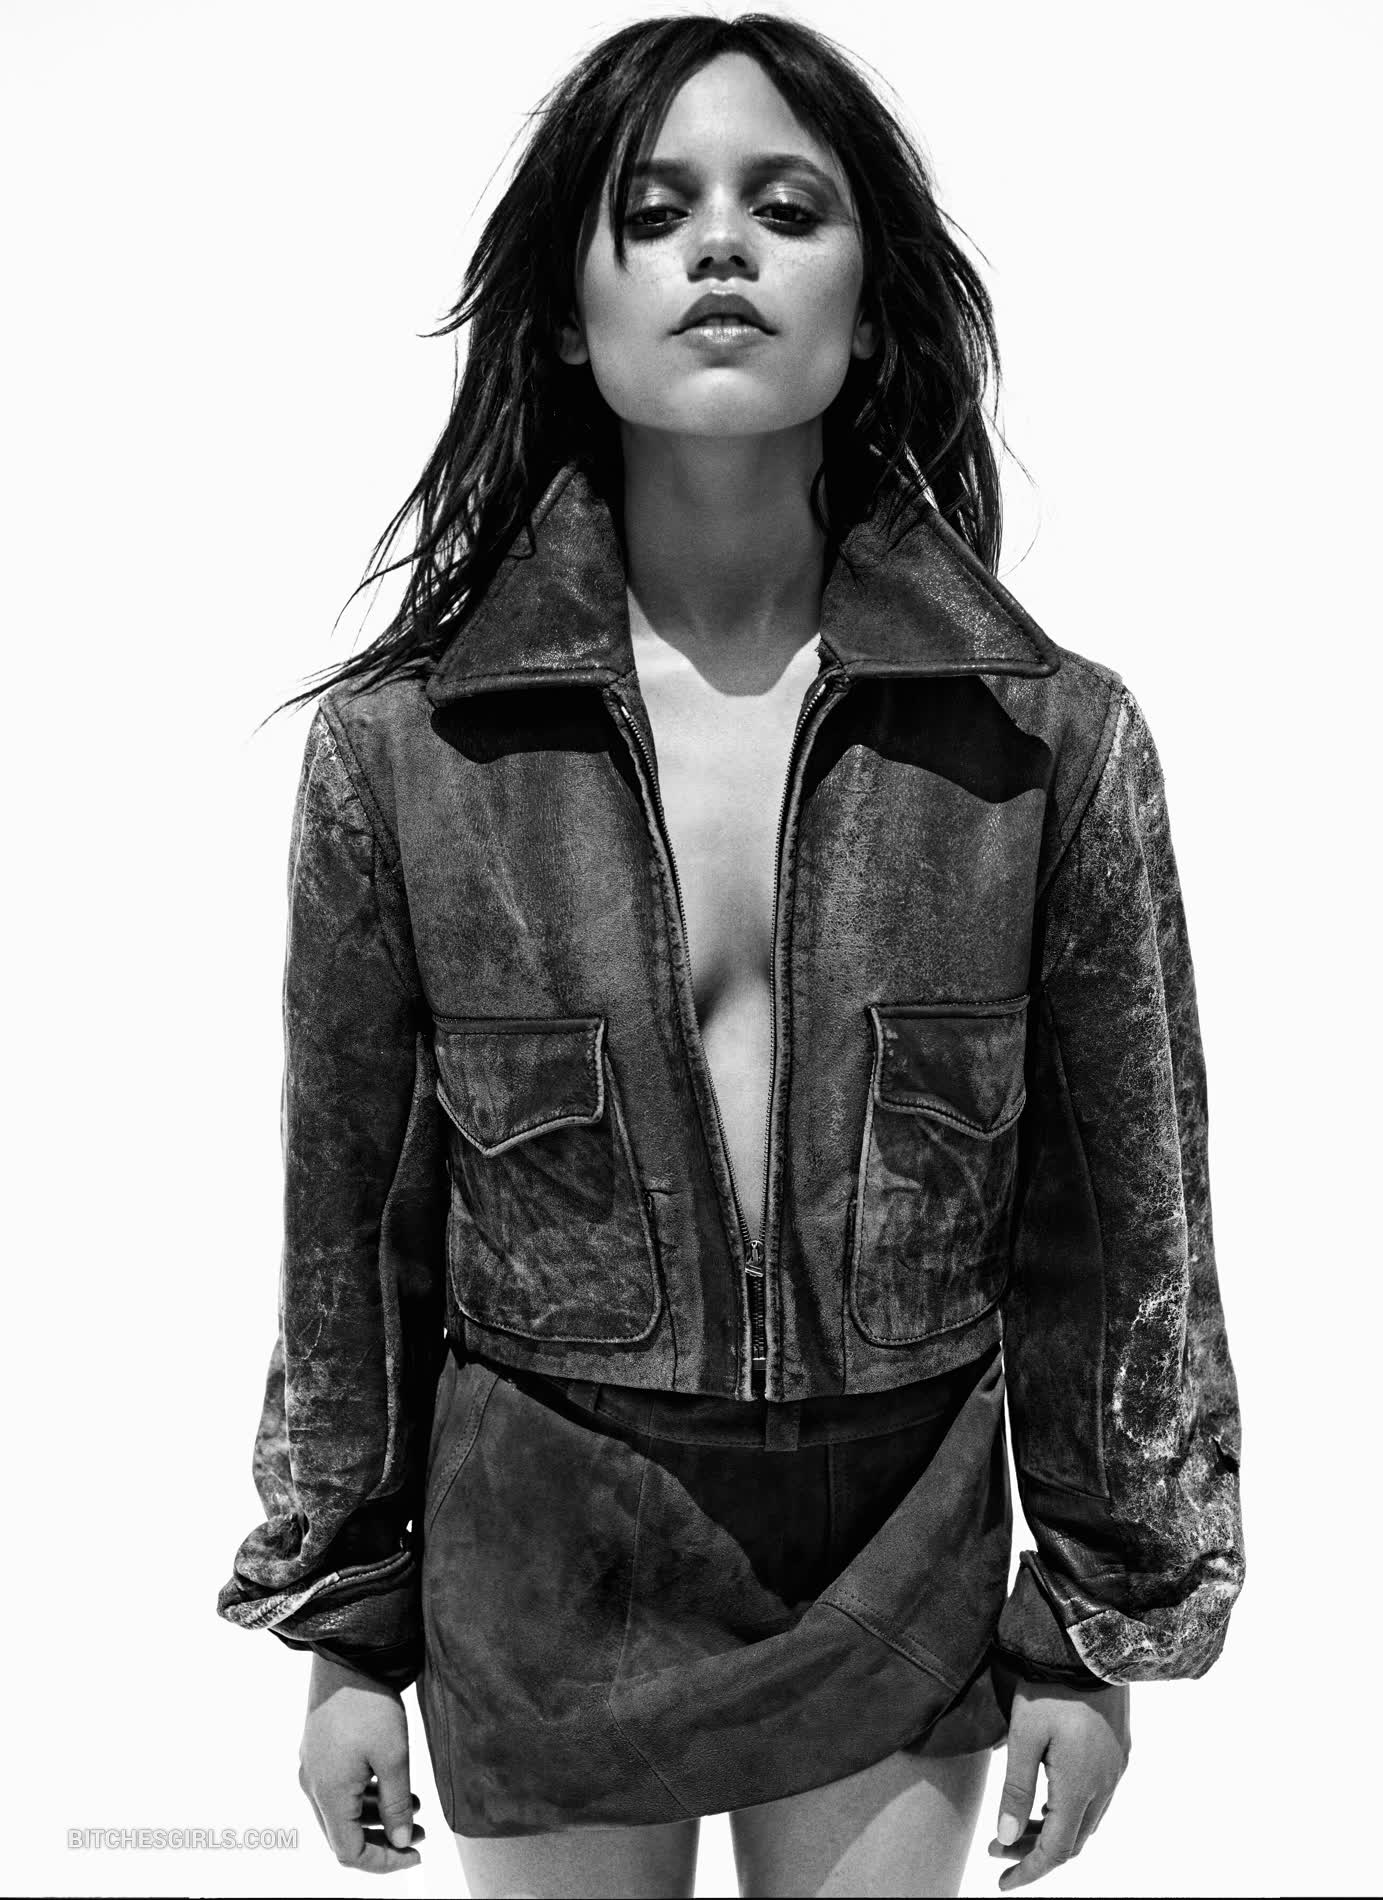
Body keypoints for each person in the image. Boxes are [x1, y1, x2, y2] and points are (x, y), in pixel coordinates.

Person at [217, 13, 1245, 1897]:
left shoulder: (1048, 744)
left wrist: (1101, 1634)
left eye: (785, 206)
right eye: (655, 209)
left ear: (871, 304)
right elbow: (352, 1231)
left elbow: (1121, 1240)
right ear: (565, 311)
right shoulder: (406, 755)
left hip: (897, 1546)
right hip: (545, 1554)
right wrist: (345, 1635)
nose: (719, 247)